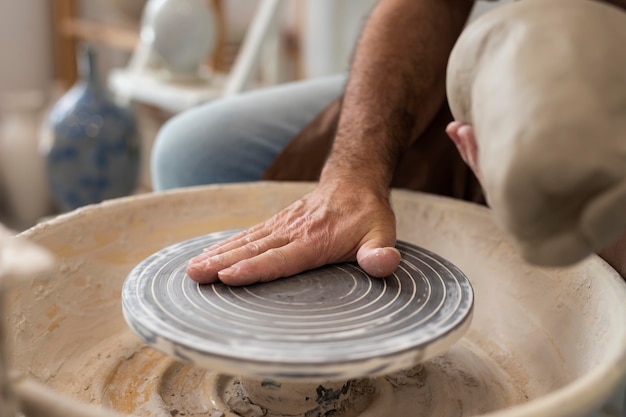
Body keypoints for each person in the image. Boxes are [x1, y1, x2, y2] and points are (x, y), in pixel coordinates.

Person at [151, 0, 626, 285]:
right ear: (468, 144)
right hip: (496, 58)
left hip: (587, 83)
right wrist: (352, 176)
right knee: (193, 154)